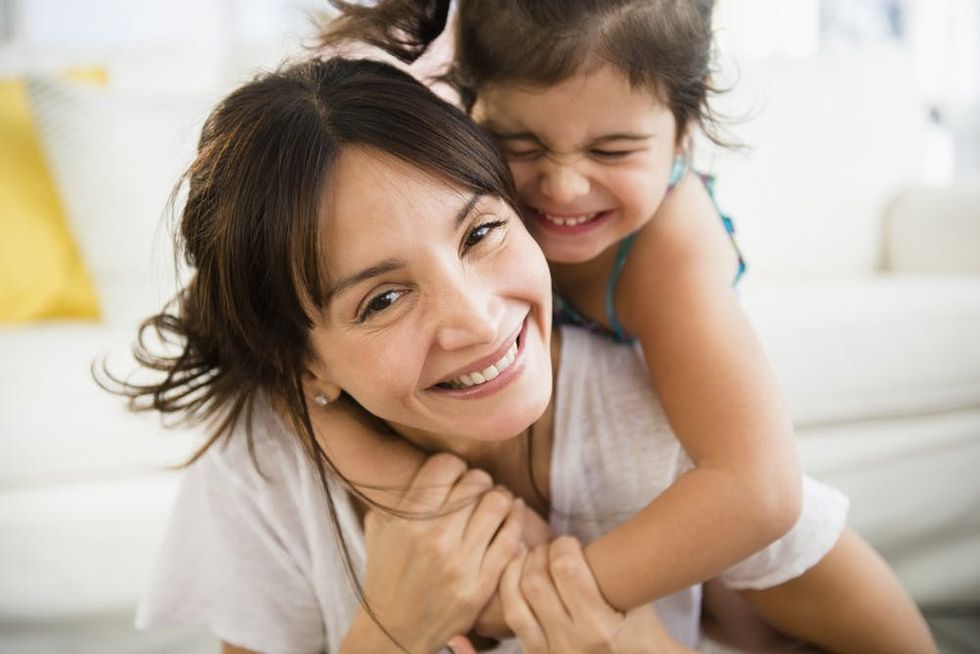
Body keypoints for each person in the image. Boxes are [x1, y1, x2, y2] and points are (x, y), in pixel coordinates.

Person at [109, 57, 935, 653]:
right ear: (306, 365)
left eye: (480, 232)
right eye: (382, 299)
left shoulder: (656, 415)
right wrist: (387, 636)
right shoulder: (262, 468)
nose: (475, 319)